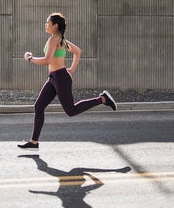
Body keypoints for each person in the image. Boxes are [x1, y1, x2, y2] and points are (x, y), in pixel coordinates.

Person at [18, 12, 117, 151]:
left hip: (60, 78)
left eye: (48, 23)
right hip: (54, 78)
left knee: (71, 110)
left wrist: (29, 58)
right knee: (39, 106)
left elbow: (47, 60)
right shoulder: (60, 39)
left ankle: (102, 99)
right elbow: (78, 52)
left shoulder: (55, 40)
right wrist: (71, 70)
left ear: (55, 25)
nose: (45, 25)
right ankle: (34, 142)